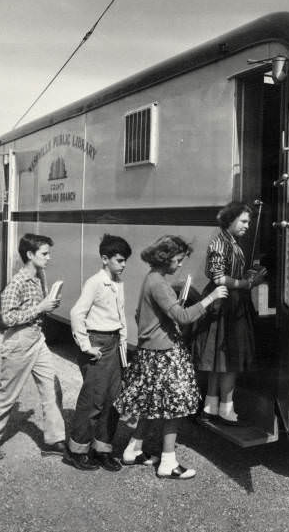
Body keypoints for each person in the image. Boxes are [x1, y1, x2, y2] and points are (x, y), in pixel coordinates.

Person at [114, 235, 227, 479]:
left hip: (149, 351)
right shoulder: (160, 284)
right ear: (164, 259)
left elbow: (138, 314)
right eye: (177, 260)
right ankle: (168, 463)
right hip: (164, 354)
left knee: (150, 406)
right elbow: (183, 317)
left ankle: (133, 450)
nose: (180, 264)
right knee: (174, 409)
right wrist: (211, 297)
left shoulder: (151, 279)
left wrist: (155, 327)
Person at [0, 233, 66, 460]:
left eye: (49, 253)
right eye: (44, 253)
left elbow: (37, 309)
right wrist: (40, 308)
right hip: (18, 342)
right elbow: (6, 318)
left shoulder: (39, 277)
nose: (49, 257)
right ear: (29, 254)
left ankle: (54, 440)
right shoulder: (16, 283)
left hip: (37, 339)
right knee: (8, 394)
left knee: (51, 387)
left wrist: (49, 305)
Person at [193, 202, 267, 425]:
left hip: (230, 301)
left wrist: (250, 277)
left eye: (249, 221)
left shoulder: (232, 242)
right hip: (224, 303)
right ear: (230, 220)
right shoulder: (220, 243)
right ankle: (226, 408)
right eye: (243, 221)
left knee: (219, 360)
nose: (247, 225)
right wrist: (246, 283)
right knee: (229, 359)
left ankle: (211, 405)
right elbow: (218, 277)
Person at [65, 234, 132, 472]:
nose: (123, 265)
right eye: (120, 260)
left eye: (125, 261)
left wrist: (123, 347)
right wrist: (85, 345)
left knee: (112, 400)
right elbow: (76, 314)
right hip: (97, 343)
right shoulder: (95, 282)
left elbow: (120, 316)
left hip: (114, 343)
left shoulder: (118, 283)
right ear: (105, 259)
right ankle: (76, 450)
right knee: (93, 401)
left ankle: (102, 450)